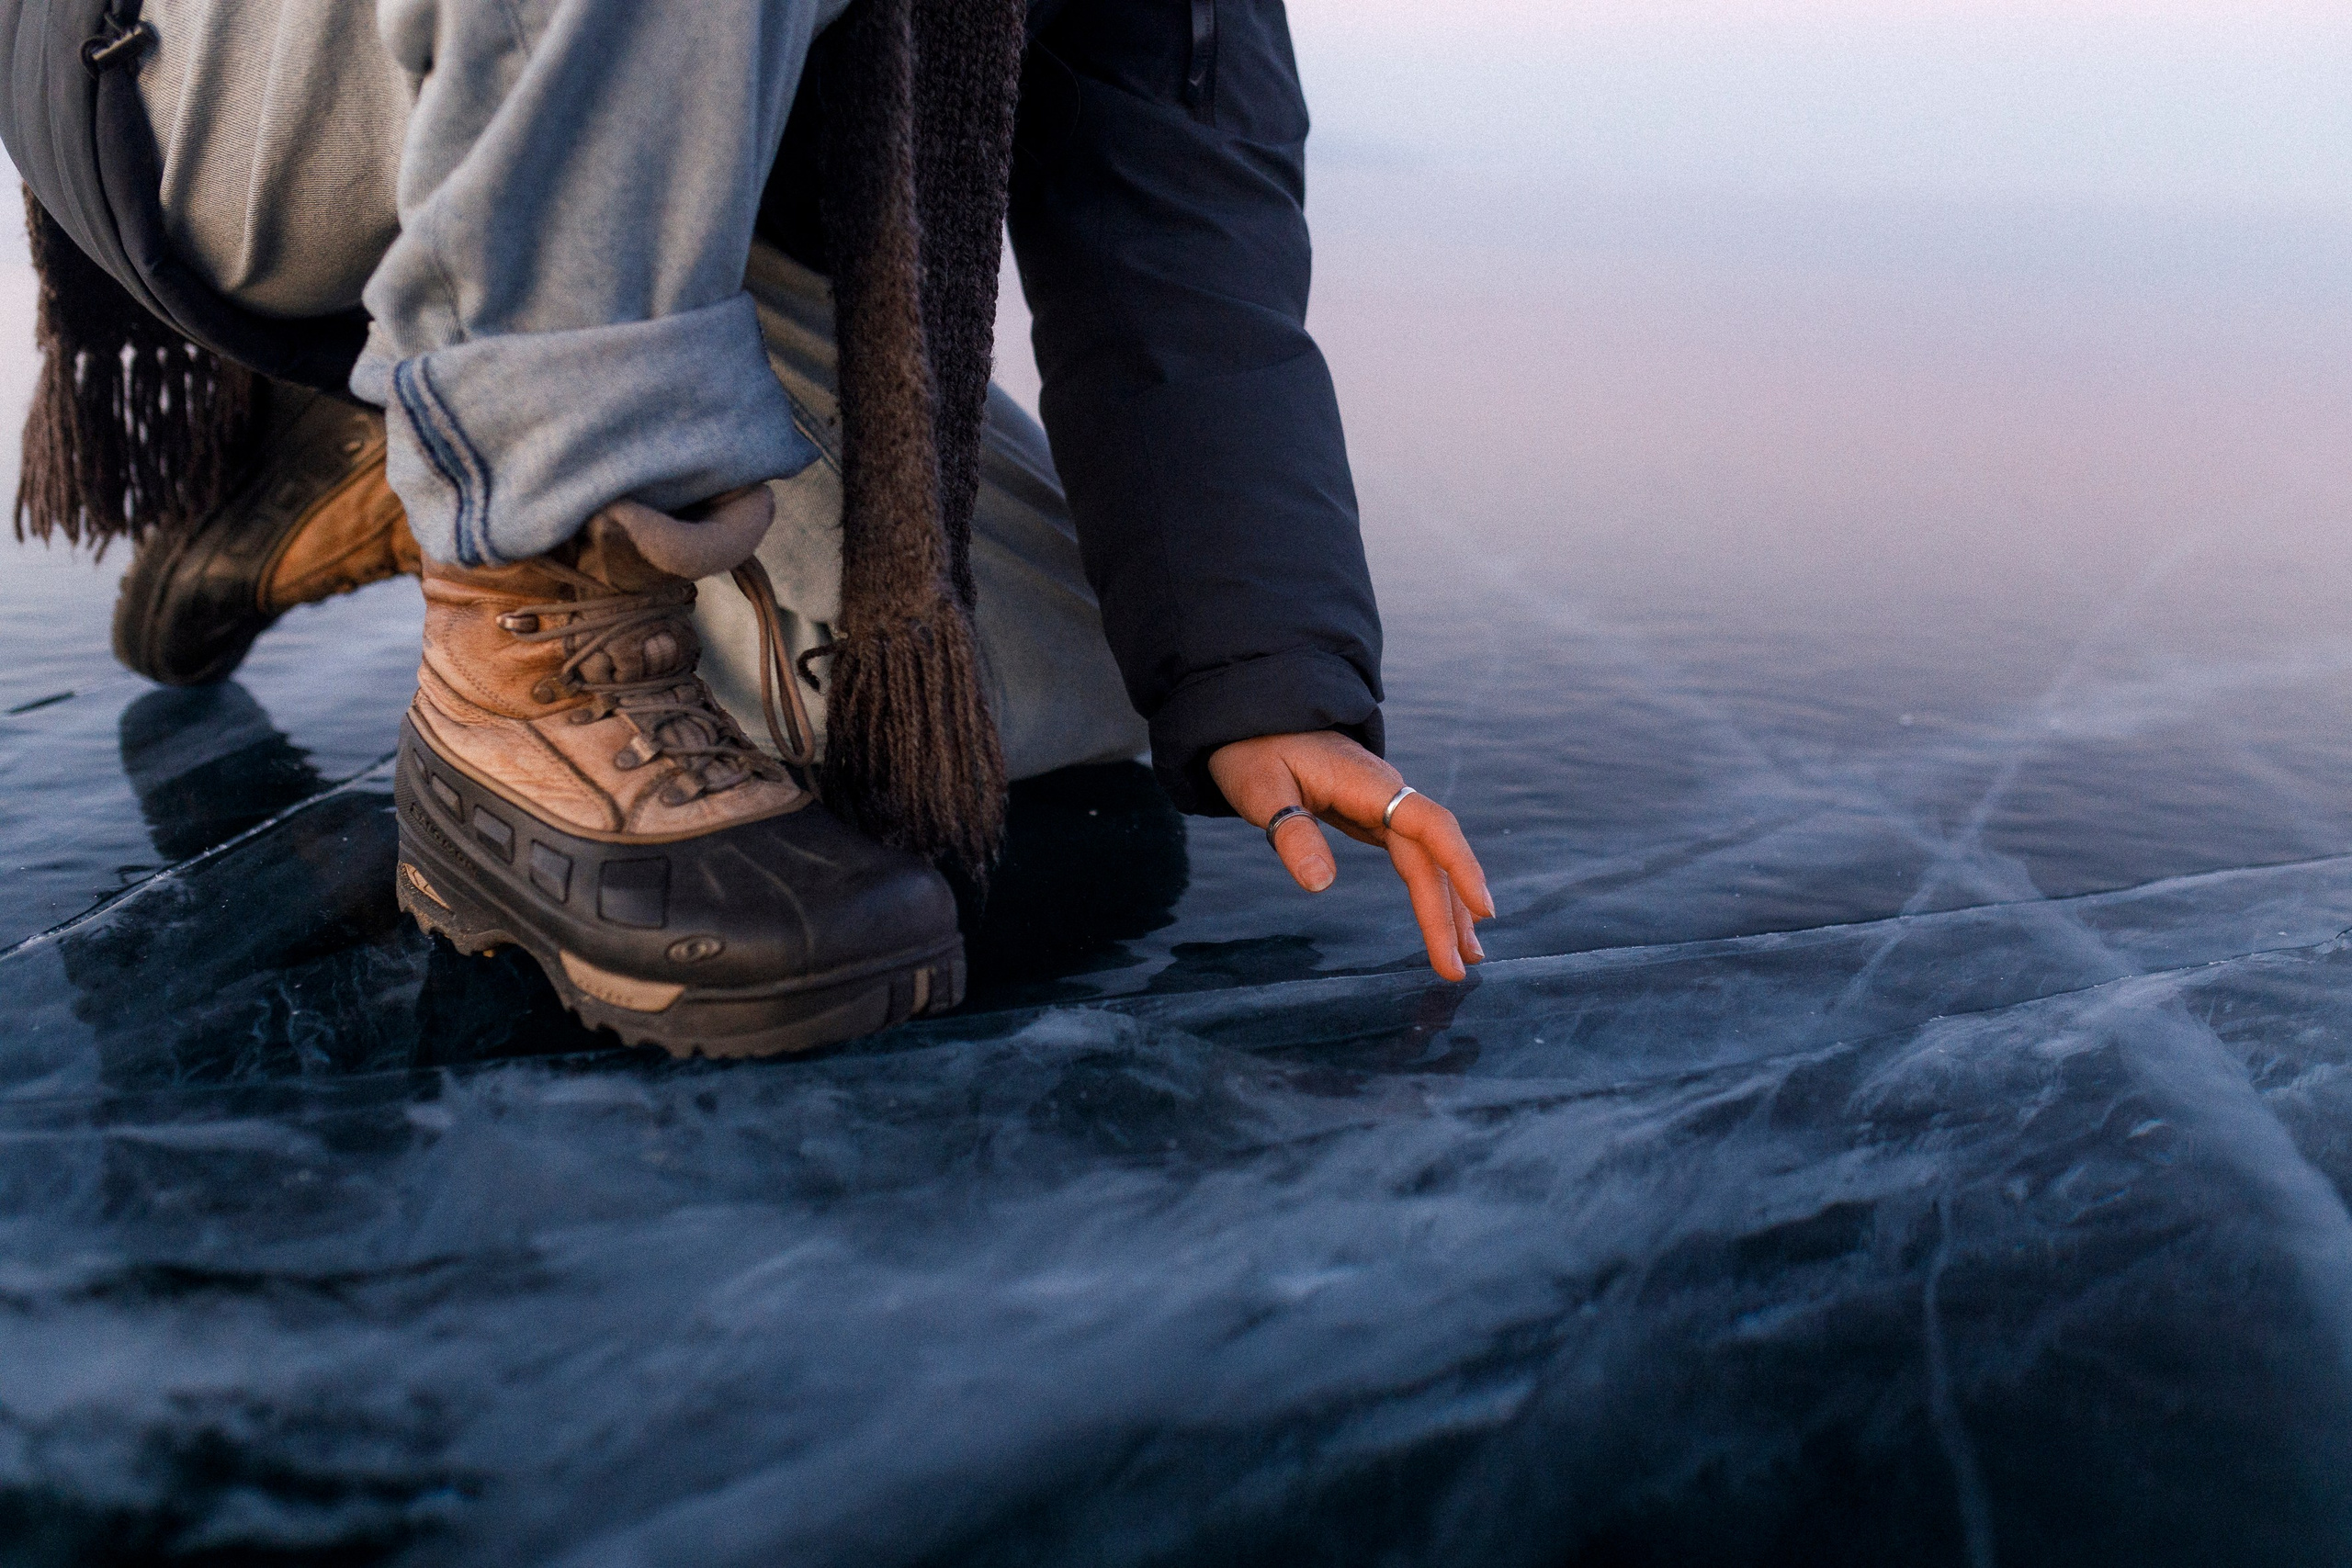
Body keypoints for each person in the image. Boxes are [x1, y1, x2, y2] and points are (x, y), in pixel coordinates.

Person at [1, 0, 1492, 1055]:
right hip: (226, 77)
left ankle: (412, 425)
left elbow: (1177, 203)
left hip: (642, 200)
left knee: (1038, 713)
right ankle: (529, 618)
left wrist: (1261, 670)